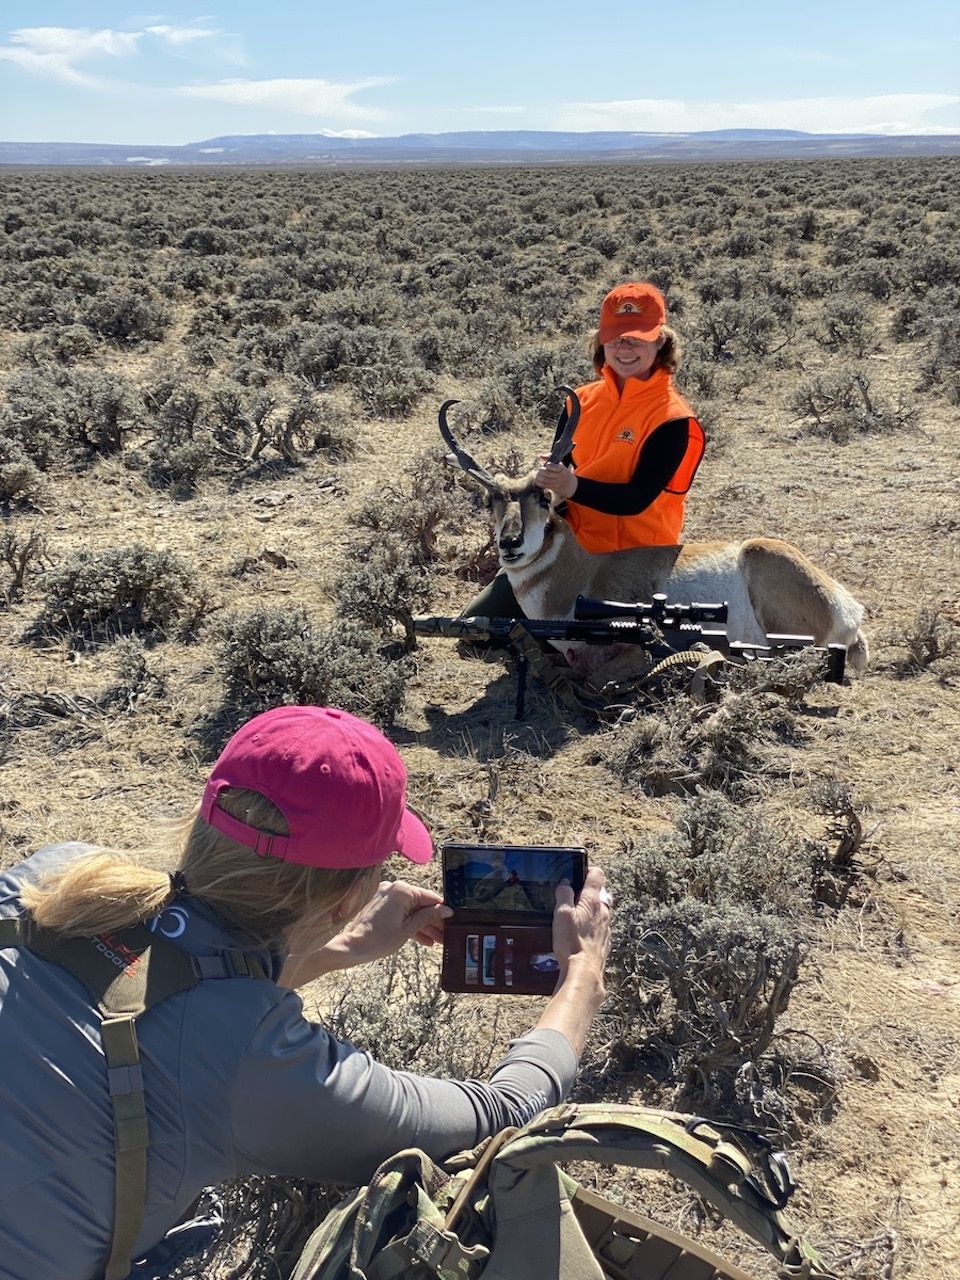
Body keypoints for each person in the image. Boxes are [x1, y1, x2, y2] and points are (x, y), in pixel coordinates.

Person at [0, 704, 611, 1280]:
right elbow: (499, 1115)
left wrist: (338, 949)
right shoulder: (260, 1061)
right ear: (350, 897)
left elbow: (151, 985)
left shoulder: (60, 878)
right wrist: (582, 974)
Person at [462, 281, 705, 620]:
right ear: (602, 339)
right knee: (477, 626)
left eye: (638, 336)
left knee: (571, 639)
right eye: (616, 336)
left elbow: (637, 499)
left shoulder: (672, 418)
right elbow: (560, 477)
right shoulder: (581, 402)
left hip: (634, 559)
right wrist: (544, 482)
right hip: (569, 550)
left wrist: (572, 487)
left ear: (661, 340)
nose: (625, 347)